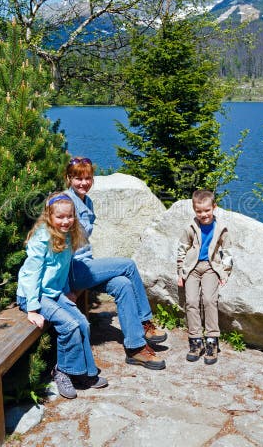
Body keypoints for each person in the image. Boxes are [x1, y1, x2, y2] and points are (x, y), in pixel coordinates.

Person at [65, 156, 167, 370]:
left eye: (88, 178)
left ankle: (136, 348)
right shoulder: (65, 204)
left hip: (85, 266)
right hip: (71, 271)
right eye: (78, 178)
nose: (83, 183)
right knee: (128, 265)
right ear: (68, 179)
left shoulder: (87, 201)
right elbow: (57, 249)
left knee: (123, 284)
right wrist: (67, 289)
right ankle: (144, 322)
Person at [16, 192, 107, 399]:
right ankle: (62, 372)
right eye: (60, 217)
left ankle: (84, 373)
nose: (66, 221)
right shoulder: (41, 239)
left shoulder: (68, 235)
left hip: (53, 292)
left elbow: (62, 268)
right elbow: (31, 275)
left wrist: (66, 290)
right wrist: (32, 309)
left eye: (70, 216)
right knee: (69, 325)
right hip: (34, 295)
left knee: (82, 322)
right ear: (49, 216)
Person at [177, 189, 233, 365]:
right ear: (195, 210)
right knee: (191, 301)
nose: (204, 214)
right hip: (192, 268)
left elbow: (228, 252)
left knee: (209, 300)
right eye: (199, 211)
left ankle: (212, 340)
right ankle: (195, 340)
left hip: (210, 268)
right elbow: (182, 249)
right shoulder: (190, 227)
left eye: (207, 210)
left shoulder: (221, 228)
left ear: (214, 207)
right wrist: (181, 271)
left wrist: (225, 272)